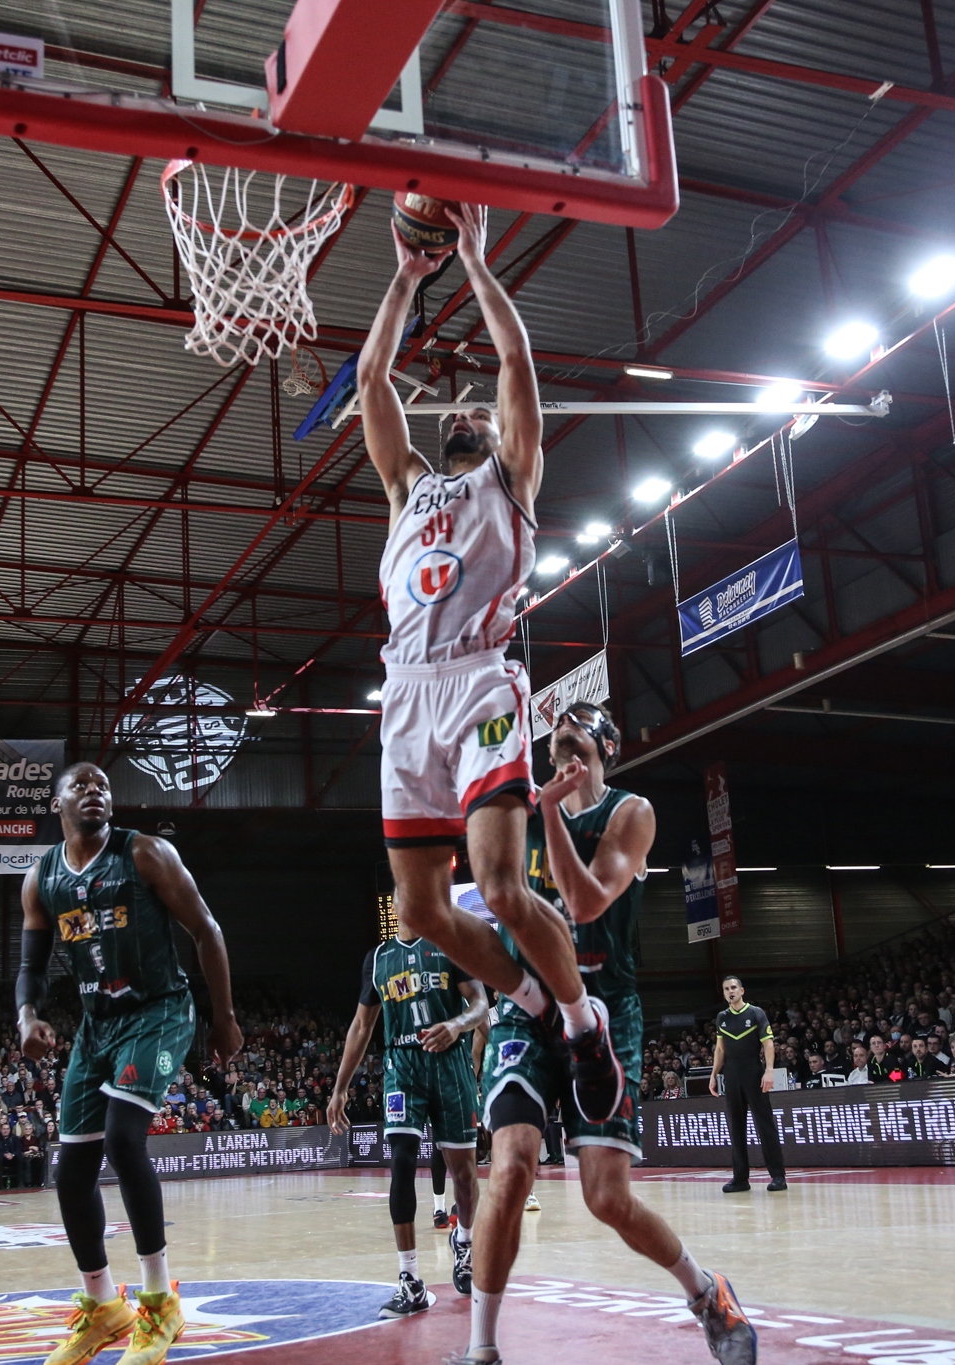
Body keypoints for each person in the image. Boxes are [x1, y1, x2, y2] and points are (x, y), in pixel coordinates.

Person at [358, 202, 625, 1132]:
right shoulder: (406, 492)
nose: (468, 406)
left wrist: (471, 259)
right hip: (403, 692)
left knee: (504, 884)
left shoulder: (509, 477)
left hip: (477, 678)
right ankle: (530, 1001)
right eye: (459, 409)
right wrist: (403, 278)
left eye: (478, 406)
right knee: (422, 909)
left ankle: (585, 1024)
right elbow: (371, 379)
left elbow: (515, 363)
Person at [465, 701, 756, 1365]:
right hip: (527, 1008)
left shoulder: (631, 812)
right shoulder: (518, 812)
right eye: (557, 742)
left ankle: (708, 1293)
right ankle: (481, 1347)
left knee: (605, 1197)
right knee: (509, 1167)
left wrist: (548, 814)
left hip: (605, 1007)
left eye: (579, 745)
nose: (566, 754)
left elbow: (588, 899)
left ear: (605, 752)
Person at [17, 763, 241, 1365]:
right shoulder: (40, 878)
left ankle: (160, 1302)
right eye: (81, 785)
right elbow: (30, 967)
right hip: (97, 1026)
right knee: (71, 1170)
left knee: (123, 1139)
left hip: (159, 1011)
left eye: (104, 786)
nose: (96, 792)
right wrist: (26, 1015)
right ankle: (102, 1307)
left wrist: (223, 1017)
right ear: (57, 801)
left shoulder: (145, 853)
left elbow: (206, 929)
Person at [327, 915, 488, 1315]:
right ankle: (410, 1278)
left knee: (465, 1174)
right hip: (403, 1066)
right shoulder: (379, 958)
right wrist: (340, 1087)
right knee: (401, 1162)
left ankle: (464, 1243)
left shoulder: (450, 944)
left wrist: (457, 1024)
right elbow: (362, 1025)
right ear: (398, 904)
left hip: (451, 1065)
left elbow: (482, 1004)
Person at [708, 976, 785, 1194]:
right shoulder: (721, 1017)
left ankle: (778, 1175)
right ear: (723, 994)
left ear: (742, 990)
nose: (730, 991)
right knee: (736, 1127)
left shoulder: (756, 1013)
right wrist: (714, 1075)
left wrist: (769, 1071)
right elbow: (720, 1049)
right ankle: (740, 1178)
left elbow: (768, 1044)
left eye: (733, 988)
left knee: (765, 1125)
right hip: (731, 1074)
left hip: (753, 1070)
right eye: (726, 989)